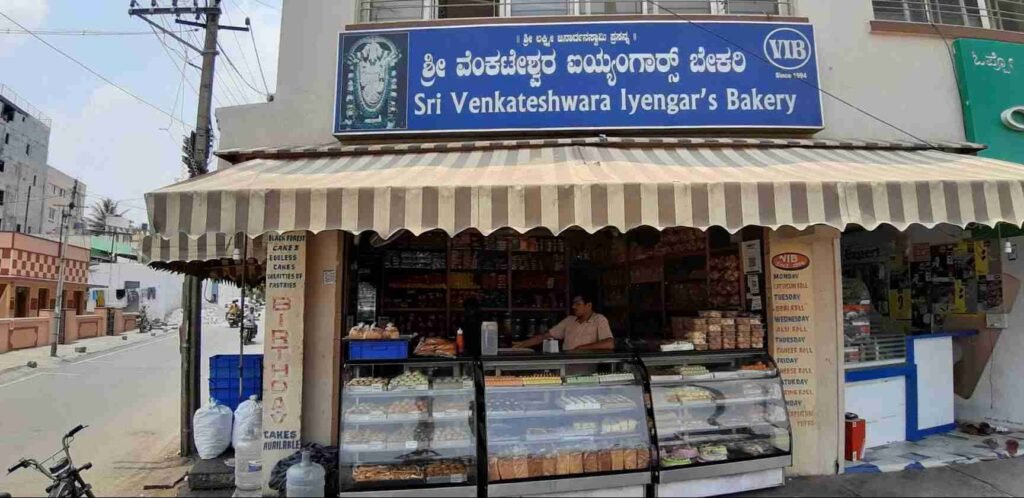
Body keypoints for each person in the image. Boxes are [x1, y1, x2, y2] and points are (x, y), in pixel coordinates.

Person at [513, 294, 614, 352]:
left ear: (588, 305)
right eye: (573, 304)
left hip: (587, 369)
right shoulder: (569, 320)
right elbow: (545, 336)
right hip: (566, 366)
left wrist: (581, 348)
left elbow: (609, 344)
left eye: (578, 304)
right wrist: (523, 344)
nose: (573, 307)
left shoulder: (599, 319)